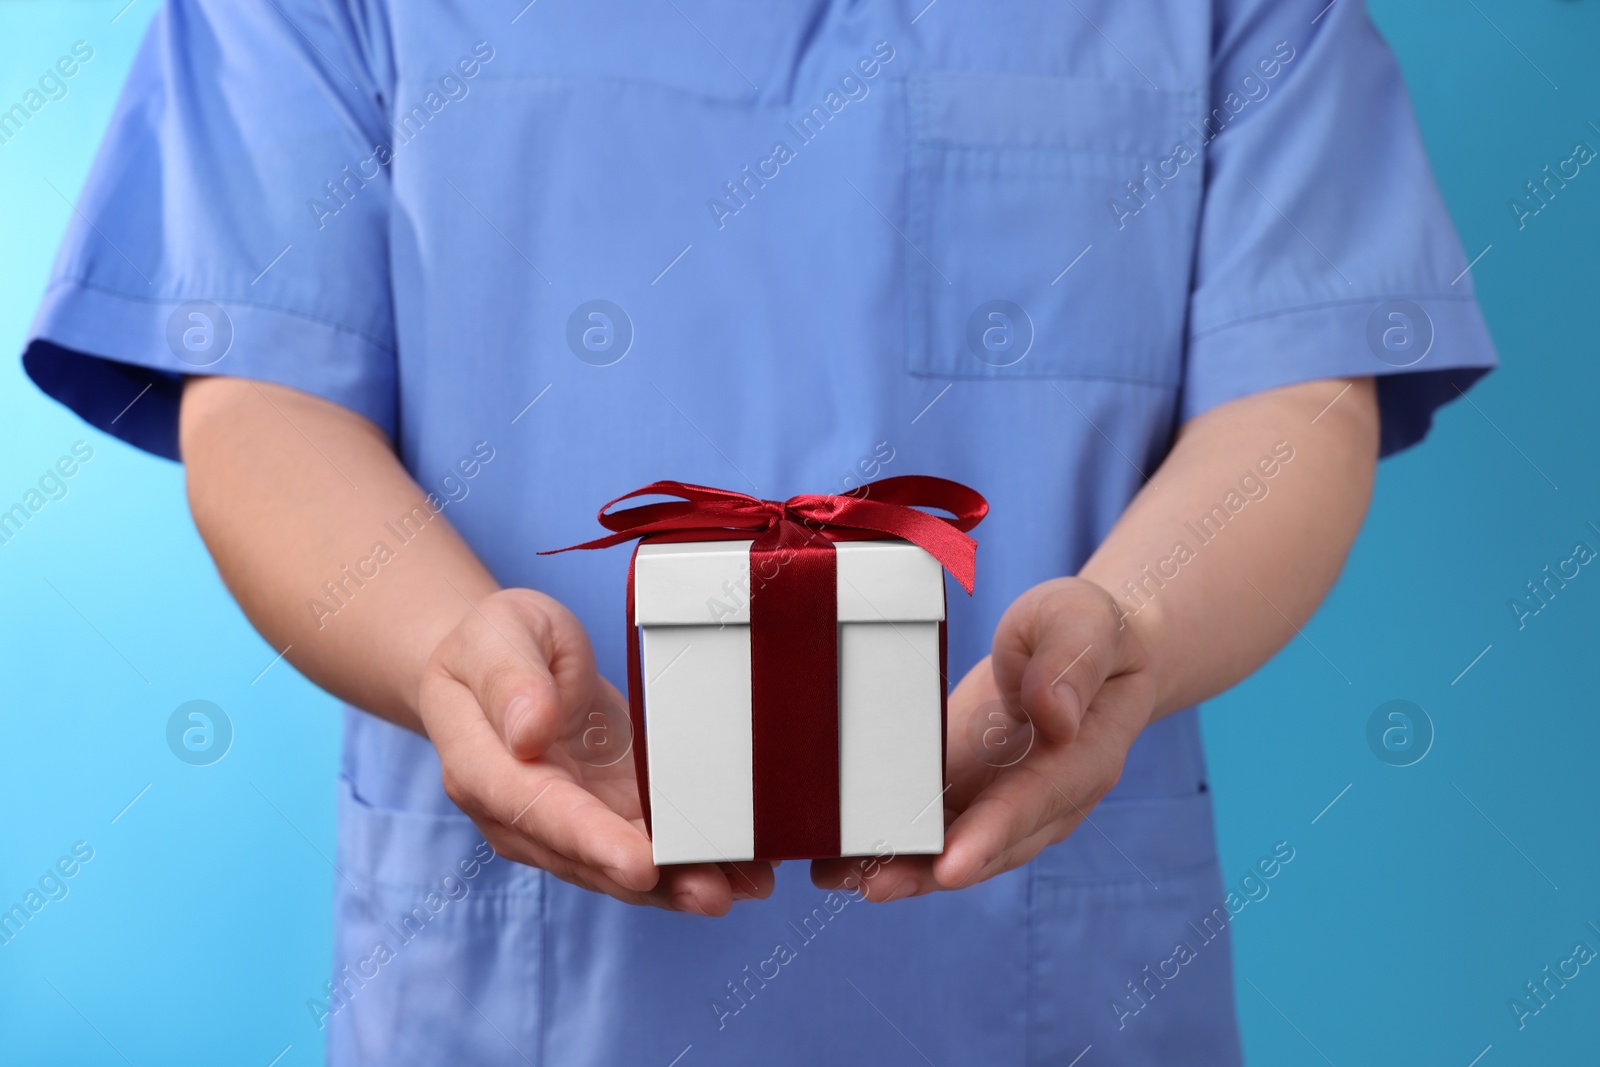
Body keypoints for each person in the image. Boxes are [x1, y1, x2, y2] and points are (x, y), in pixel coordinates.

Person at [23, 0, 1496, 1062]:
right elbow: (264, 394)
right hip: (516, 995)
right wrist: (439, 655)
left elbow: (1297, 395)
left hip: (1046, 981)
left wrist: (1137, 629)